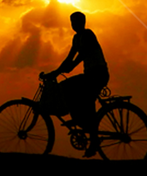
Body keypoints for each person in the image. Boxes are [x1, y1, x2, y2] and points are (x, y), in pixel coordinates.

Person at [42, 11, 109, 157]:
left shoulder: (88, 34)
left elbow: (82, 54)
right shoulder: (76, 38)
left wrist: (71, 66)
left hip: (98, 74)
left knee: (83, 99)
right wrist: (55, 72)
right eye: (72, 22)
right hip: (89, 75)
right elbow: (69, 58)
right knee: (68, 89)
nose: (74, 25)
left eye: (76, 22)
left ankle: (93, 139)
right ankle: (81, 121)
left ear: (83, 23)